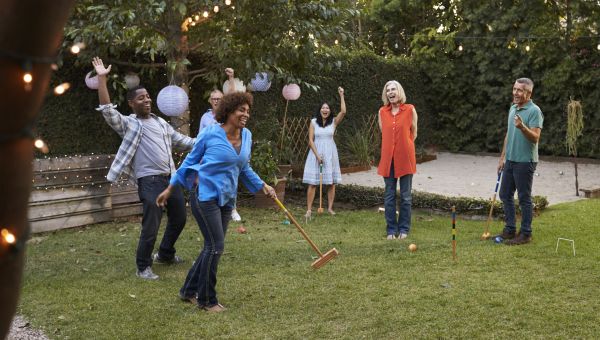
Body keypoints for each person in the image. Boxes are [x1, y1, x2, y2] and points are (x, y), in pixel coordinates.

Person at [156, 92, 276, 313]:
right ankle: (207, 300)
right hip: (204, 196)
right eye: (241, 110)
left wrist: (263, 185)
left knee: (211, 247)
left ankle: (188, 290)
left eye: (248, 111)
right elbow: (189, 162)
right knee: (215, 247)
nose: (245, 114)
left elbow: (243, 167)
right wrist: (170, 188)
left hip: (227, 199)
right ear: (229, 111)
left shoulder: (246, 135)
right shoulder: (210, 134)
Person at [92, 57, 195, 280]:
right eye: (141, 98)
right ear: (132, 103)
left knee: (179, 218)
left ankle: (165, 254)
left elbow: (183, 141)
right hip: (150, 182)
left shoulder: (161, 123)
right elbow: (108, 111)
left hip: (171, 180)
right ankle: (143, 266)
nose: (147, 100)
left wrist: (208, 139)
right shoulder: (130, 124)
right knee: (152, 225)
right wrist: (102, 79)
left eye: (148, 97)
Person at [495, 78, 543, 245]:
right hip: (510, 160)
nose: (515, 93)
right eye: (514, 89)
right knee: (505, 194)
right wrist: (502, 157)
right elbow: (509, 134)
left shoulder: (534, 111)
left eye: (520, 90)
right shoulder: (513, 108)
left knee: (524, 198)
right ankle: (510, 229)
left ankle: (526, 234)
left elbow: (536, 138)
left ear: (528, 93)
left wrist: (523, 127)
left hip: (525, 161)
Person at [198, 68, 243, 222]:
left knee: (231, 179)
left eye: (219, 98)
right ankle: (214, 207)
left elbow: (233, 96)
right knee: (212, 181)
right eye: (213, 99)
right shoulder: (205, 117)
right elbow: (199, 138)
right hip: (210, 155)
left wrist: (231, 78)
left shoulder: (228, 114)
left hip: (227, 152)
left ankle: (233, 209)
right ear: (210, 101)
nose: (216, 101)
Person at [377, 80, 418, 240]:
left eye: (393, 89)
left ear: (399, 91)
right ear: (386, 94)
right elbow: (384, 133)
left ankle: (404, 229)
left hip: (406, 157)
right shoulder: (382, 112)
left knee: (406, 196)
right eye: (388, 90)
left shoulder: (410, 109)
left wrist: (404, 146)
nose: (391, 92)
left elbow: (413, 132)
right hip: (388, 159)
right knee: (389, 196)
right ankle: (391, 230)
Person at [302, 87, 346, 219]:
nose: (325, 110)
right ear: (319, 110)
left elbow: (343, 111)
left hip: (330, 153)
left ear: (330, 111)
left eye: (327, 108)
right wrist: (317, 156)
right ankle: (309, 210)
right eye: (323, 108)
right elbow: (310, 140)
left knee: (331, 182)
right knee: (313, 183)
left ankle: (330, 208)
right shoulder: (314, 122)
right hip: (316, 154)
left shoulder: (334, 122)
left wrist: (341, 95)